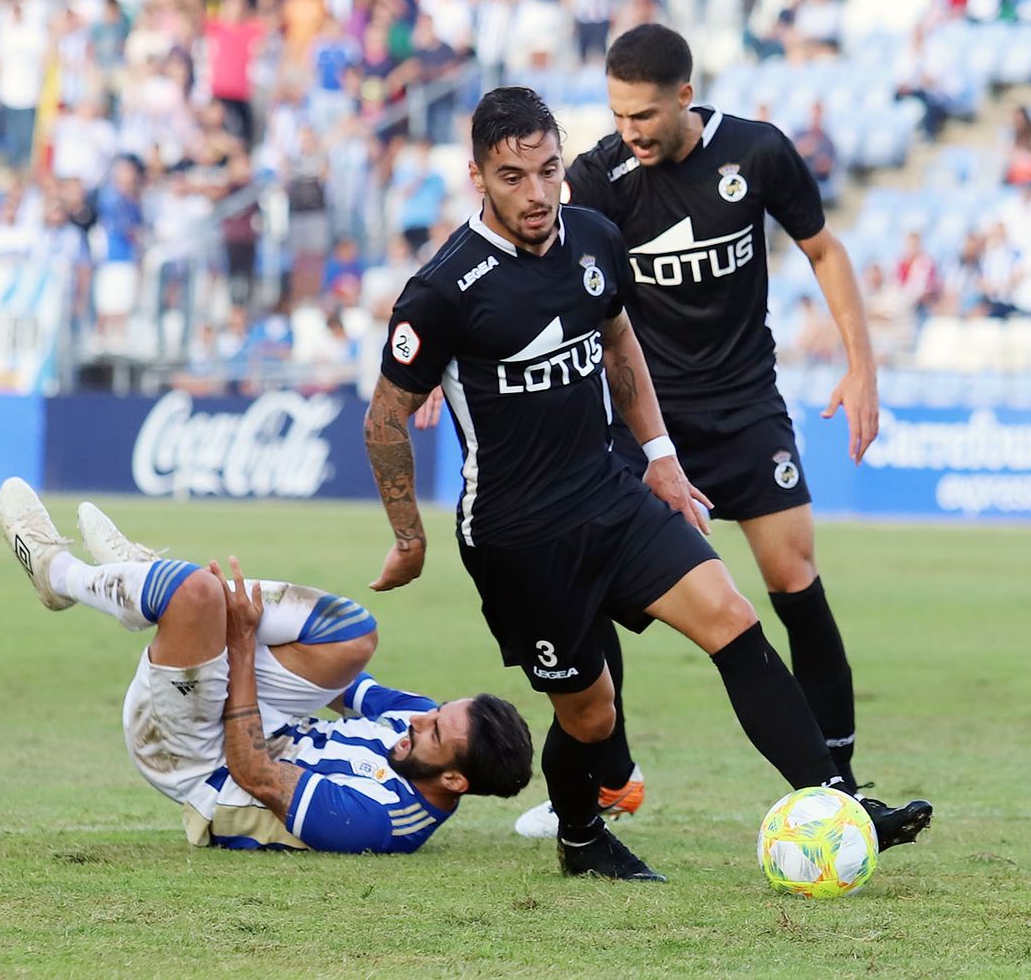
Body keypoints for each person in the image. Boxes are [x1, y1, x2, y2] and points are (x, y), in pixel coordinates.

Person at [365, 85, 930, 881]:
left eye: (549, 170)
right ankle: (580, 837)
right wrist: (408, 537)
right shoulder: (443, 290)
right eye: (513, 176)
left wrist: (661, 456)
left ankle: (837, 800)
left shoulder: (594, 238)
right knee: (591, 716)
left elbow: (622, 347)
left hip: (610, 494)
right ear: (477, 177)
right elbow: (383, 419)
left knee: (734, 618)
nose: (537, 193)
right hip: (519, 537)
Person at [503, 25, 887, 839]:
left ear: (684, 96)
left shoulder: (758, 153)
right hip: (644, 419)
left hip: (745, 407)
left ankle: (839, 784)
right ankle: (612, 779)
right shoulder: (599, 177)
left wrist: (861, 366)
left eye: (643, 114)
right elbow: (532, 264)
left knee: (792, 577)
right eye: (617, 115)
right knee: (592, 581)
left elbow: (823, 250)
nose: (629, 131)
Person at [0, 479, 535, 853]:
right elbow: (344, 683)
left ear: (455, 779)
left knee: (196, 595)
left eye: (435, 731)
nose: (420, 718)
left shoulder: (378, 821)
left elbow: (251, 770)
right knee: (354, 635)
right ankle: (146, 581)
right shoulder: (417, 723)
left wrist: (243, 645)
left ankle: (59, 574)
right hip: (260, 718)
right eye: (437, 711)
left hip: (193, 757)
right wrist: (266, 643)